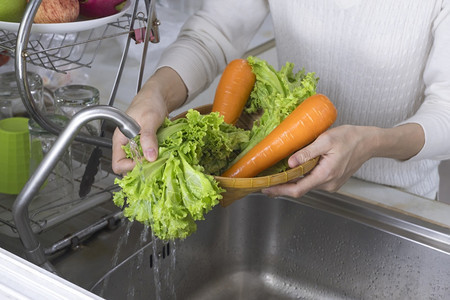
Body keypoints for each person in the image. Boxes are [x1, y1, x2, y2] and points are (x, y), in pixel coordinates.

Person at [112, 0, 450, 200]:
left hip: (396, 201)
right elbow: (213, 34)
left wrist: (372, 143)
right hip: (283, 178)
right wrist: (154, 93)